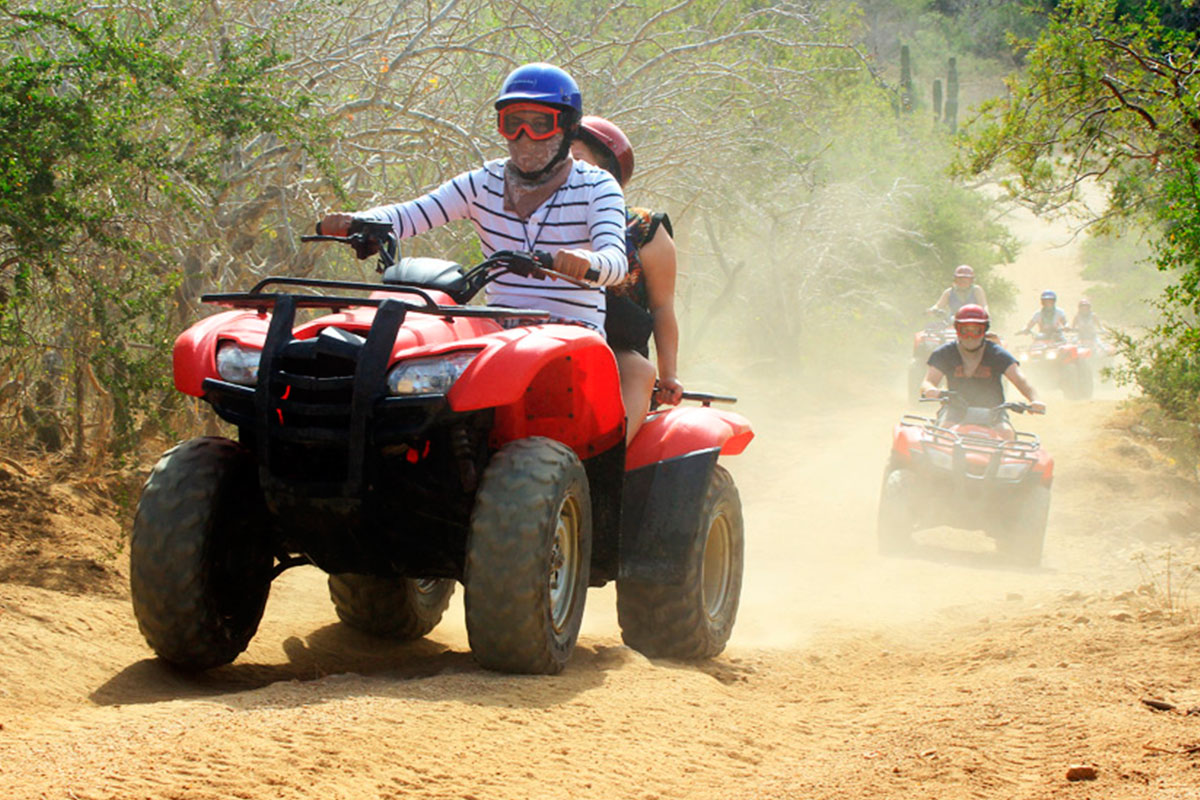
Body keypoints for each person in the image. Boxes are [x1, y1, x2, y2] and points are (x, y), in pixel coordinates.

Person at [317, 62, 627, 335]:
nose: (523, 136)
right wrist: (358, 221)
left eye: (540, 124)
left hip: (571, 332)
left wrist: (585, 261)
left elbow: (616, 262)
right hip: (496, 329)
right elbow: (409, 215)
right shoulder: (484, 182)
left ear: (570, 128)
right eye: (513, 123)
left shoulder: (597, 186)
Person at [571, 115, 682, 444]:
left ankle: (605, 473)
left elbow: (662, 307)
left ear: (608, 174)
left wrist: (669, 375)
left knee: (639, 371)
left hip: (614, 351)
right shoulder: (537, 218)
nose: (566, 173)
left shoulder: (644, 228)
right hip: (544, 335)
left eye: (577, 162)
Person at [921, 304, 1044, 439]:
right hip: (955, 408)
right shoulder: (945, 353)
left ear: (984, 330)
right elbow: (928, 381)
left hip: (994, 411)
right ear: (957, 329)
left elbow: (1020, 379)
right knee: (943, 433)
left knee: (1007, 434)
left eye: (976, 330)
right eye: (965, 330)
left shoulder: (997, 354)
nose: (970, 336)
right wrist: (931, 390)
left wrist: (1035, 399)